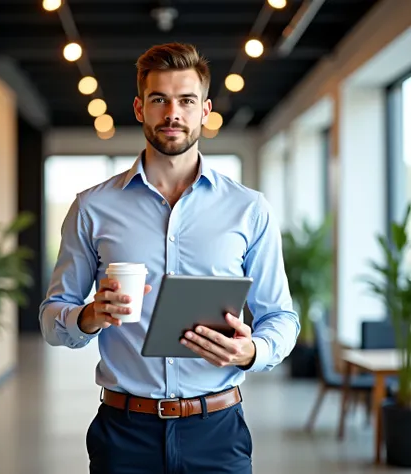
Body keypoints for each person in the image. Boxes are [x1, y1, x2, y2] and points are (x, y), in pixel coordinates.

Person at [39, 42, 300, 474]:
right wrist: (88, 317)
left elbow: (282, 318)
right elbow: (52, 318)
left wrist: (251, 350)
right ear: (141, 108)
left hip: (218, 432)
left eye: (186, 100)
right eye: (159, 100)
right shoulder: (92, 207)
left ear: (205, 110)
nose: (172, 113)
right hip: (124, 434)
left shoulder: (249, 208)